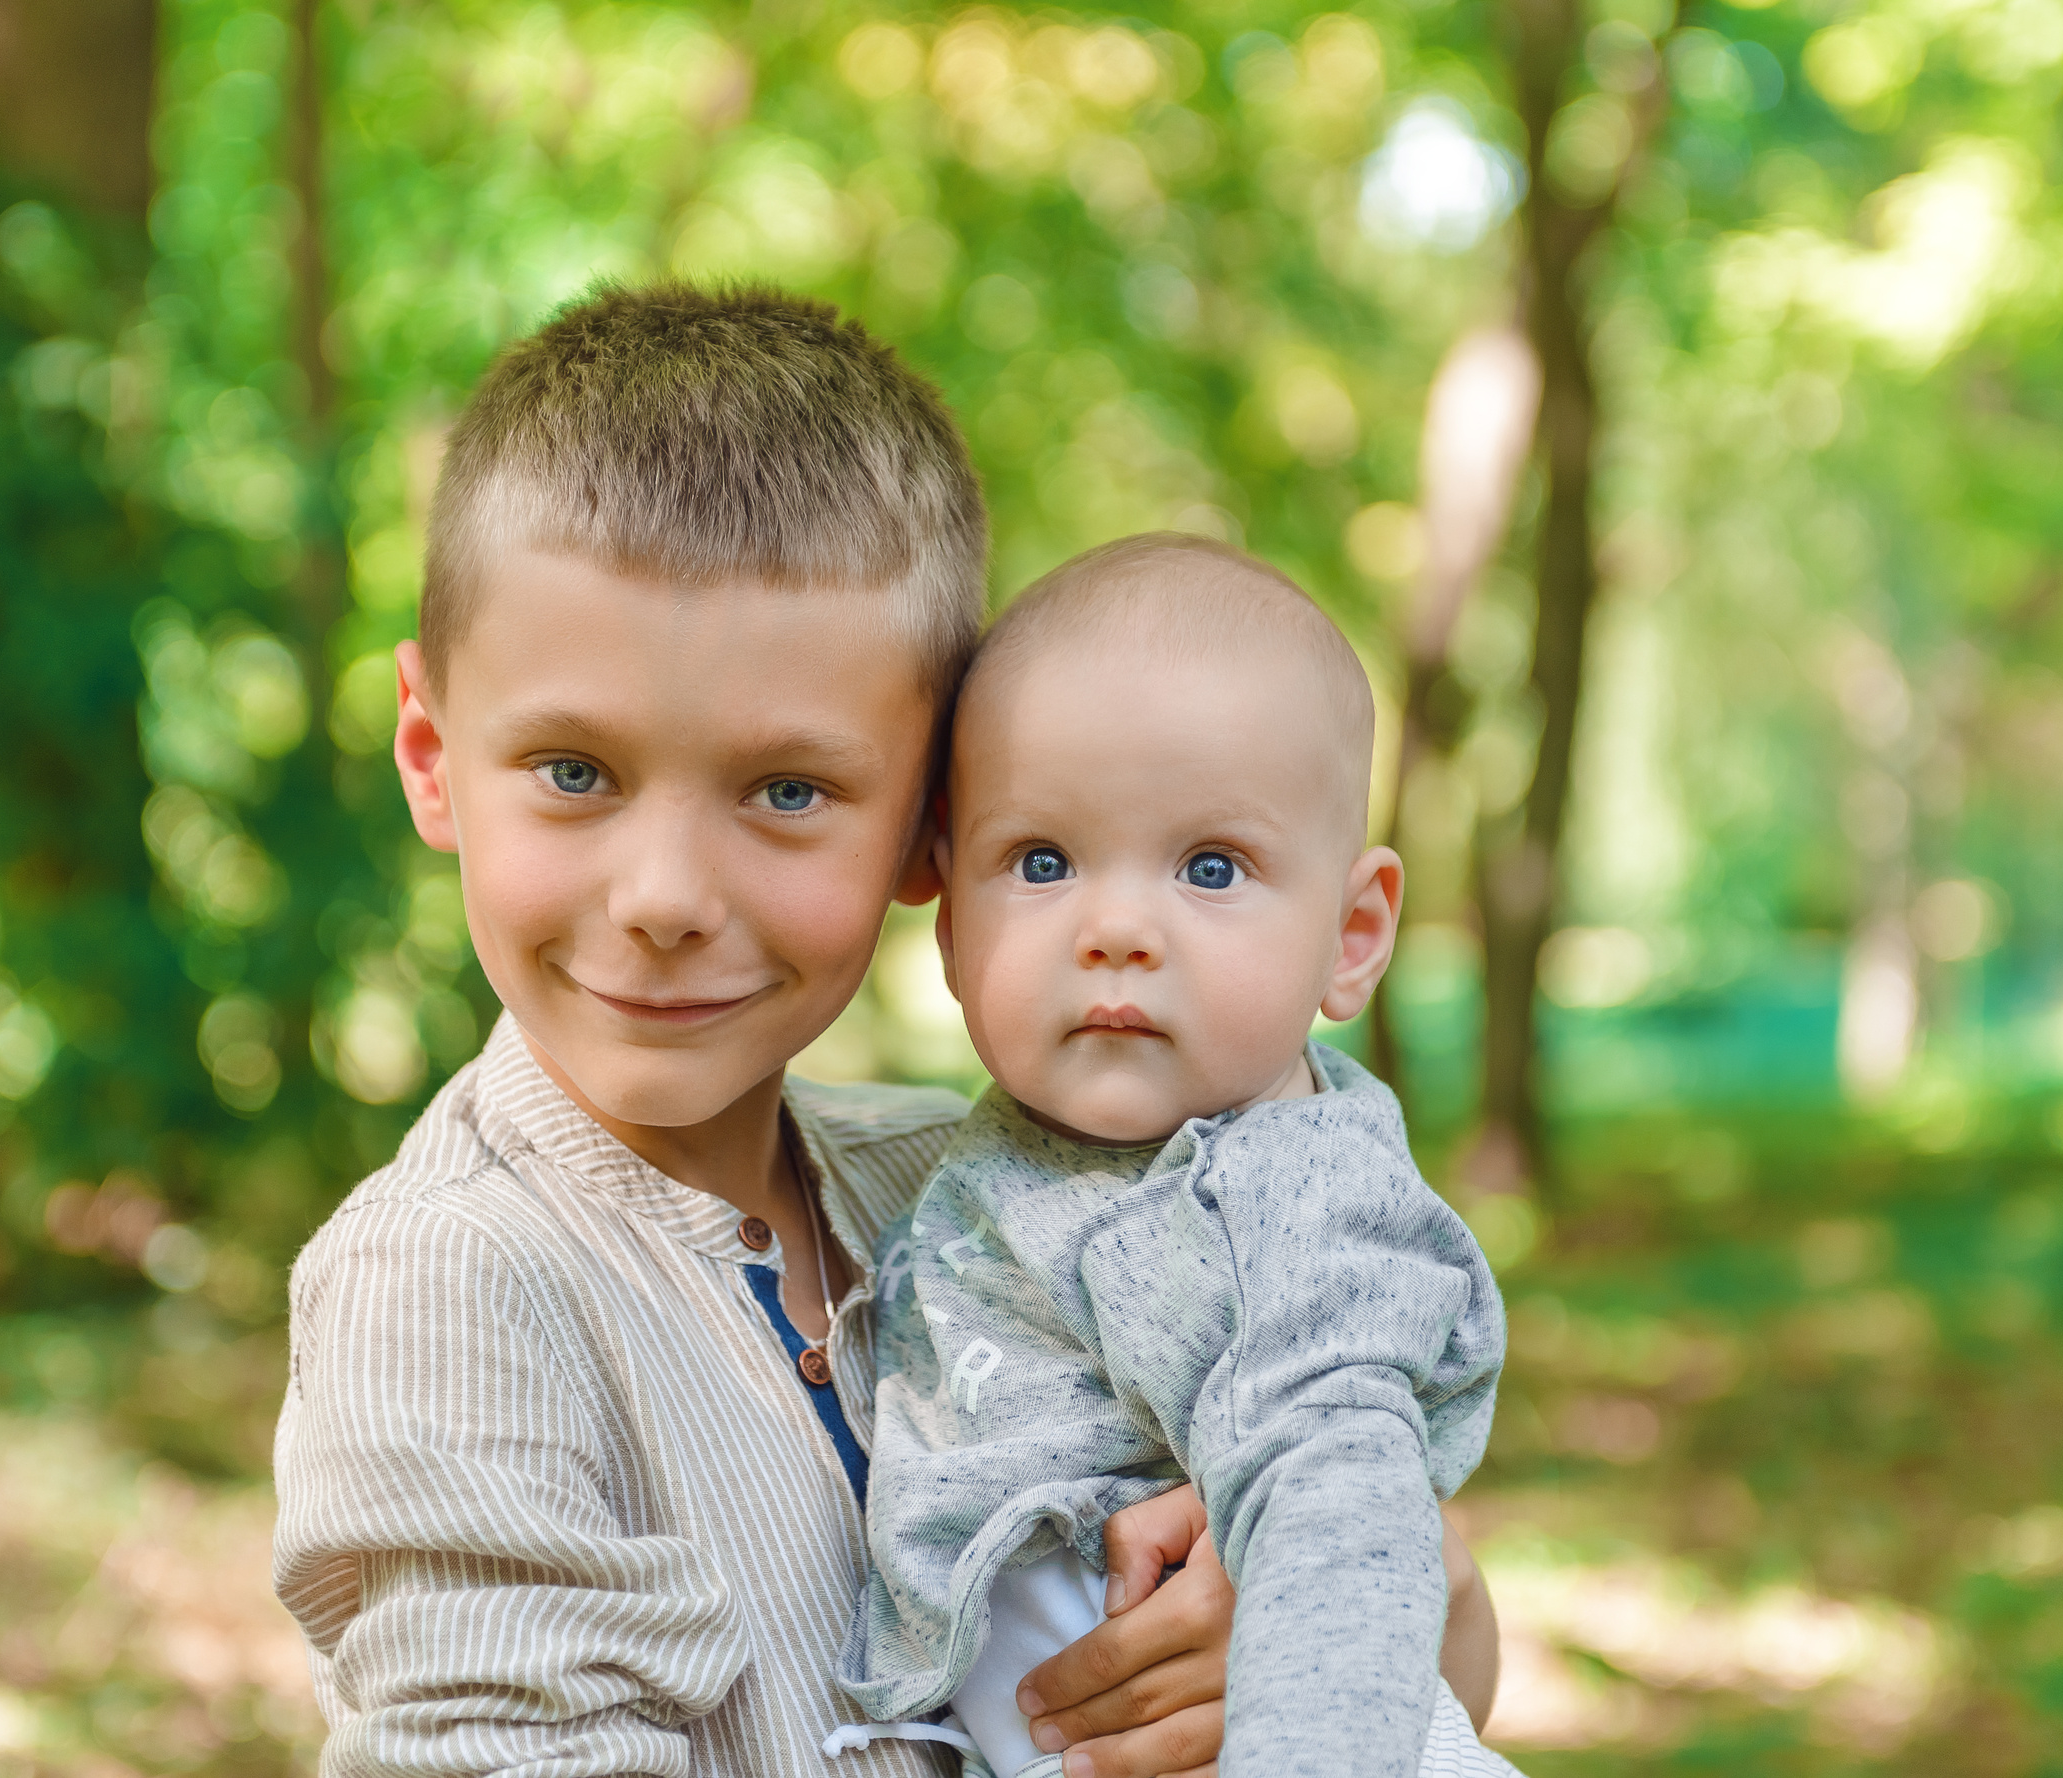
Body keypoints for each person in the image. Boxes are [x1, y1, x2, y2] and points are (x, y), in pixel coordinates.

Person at [271, 283, 1495, 1778]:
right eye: (574, 771)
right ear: (430, 752)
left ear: (929, 830)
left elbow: (1441, 1668)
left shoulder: (985, 1180)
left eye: (787, 790)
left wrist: (1350, 1586)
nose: (665, 898)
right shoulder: (453, 1286)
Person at [832, 535, 1515, 1778]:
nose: (1115, 928)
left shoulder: (1274, 1197)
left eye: (1210, 867)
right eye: (1042, 861)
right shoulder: (1025, 1153)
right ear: (948, 918)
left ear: (1351, 935)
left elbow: (1342, 1521)